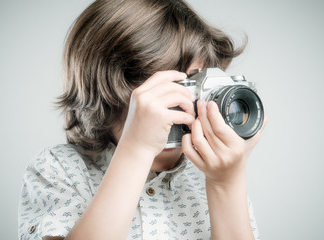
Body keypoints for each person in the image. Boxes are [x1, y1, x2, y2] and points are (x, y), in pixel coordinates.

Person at [18, 0, 267, 239]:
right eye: (178, 85)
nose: (195, 102)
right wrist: (137, 148)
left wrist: (226, 183)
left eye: (198, 82)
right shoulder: (59, 169)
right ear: (111, 90)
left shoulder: (210, 175)